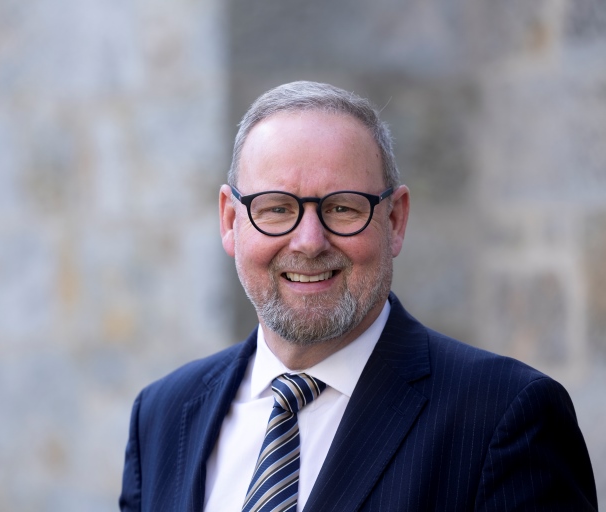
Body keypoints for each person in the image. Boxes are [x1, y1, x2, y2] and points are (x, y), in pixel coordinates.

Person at [119, 81, 597, 511]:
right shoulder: (162, 417)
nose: (308, 241)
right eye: (277, 208)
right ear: (230, 221)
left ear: (394, 220)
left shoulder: (504, 417)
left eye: (343, 208)